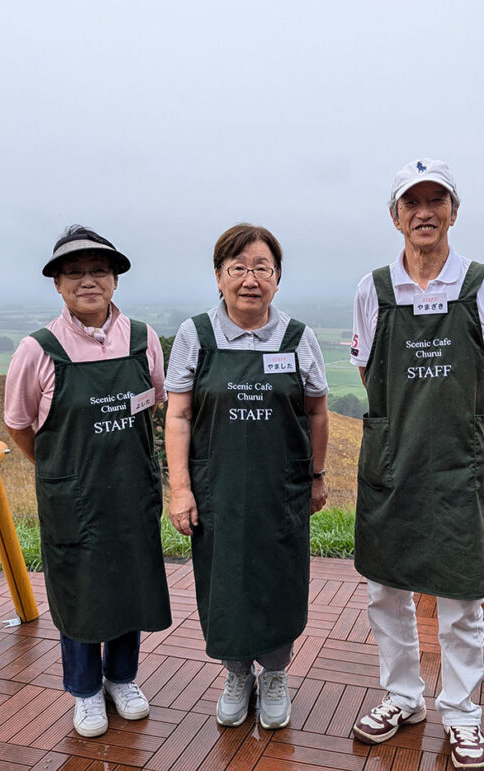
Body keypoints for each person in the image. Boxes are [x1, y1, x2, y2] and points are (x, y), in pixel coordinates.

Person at [349, 159, 484, 768]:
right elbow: (371, 373)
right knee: (385, 589)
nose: (424, 212)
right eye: (411, 202)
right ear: (395, 217)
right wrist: (404, 427)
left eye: (436, 200)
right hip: (390, 462)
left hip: (455, 464)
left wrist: (465, 426)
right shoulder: (373, 289)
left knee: (461, 596)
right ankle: (402, 696)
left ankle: (462, 712)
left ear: (453, 210)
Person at [4, 225, 172, 738]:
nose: (88, 281)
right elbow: (18, 425)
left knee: (130, 581)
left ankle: (122, 678)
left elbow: (157, 402)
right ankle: (85, 691)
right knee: (79, 590)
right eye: (73, 272)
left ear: (116, 280)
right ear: (57, 284)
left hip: (131, 490)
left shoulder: (143, 340)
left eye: (99, 270)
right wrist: (59, 470)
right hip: (72, 497)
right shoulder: (38, 349)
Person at [164, 223, 329, 730]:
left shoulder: (298, 337)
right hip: (218, 492)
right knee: (225, 584)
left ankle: (275, 674)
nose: (250, 279)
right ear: (219, 276)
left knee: (280, 582)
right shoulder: (197, 334)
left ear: (277, 278)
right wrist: (182, 488)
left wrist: (317, 476)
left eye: (262, 268)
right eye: (238, 268)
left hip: (280, 490)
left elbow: (317, 412)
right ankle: (237, 674)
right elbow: (178, 415)